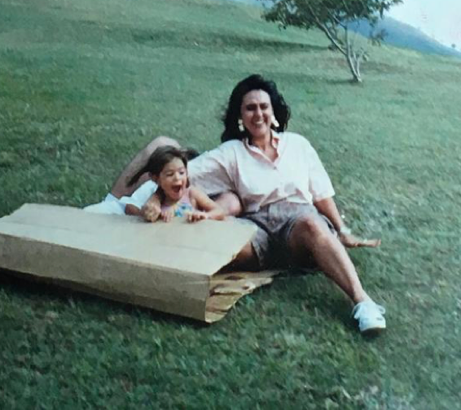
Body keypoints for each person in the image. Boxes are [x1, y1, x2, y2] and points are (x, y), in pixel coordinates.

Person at [96, 75, 386, 335]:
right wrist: (147, 199)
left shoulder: (298, 145)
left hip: (296, 222)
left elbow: (321, 194)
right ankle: (134, 264)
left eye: (263, 106)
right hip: (254, 227)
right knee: (206, 229)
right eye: (250, 108)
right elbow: (179, 176)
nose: (258, 113)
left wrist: (341, 228)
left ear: (273, 112)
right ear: (240, 117)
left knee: (311, 223)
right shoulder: (232, 153)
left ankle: (363, 303)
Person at [125, 145, 226, 223]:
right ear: (156, 179)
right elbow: (135, 210)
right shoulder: (158, 198)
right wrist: (148, 213)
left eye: (181, 173)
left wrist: (205, 216)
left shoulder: (191, 194)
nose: (177, 178)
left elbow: (219, 211)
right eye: (170, 174)